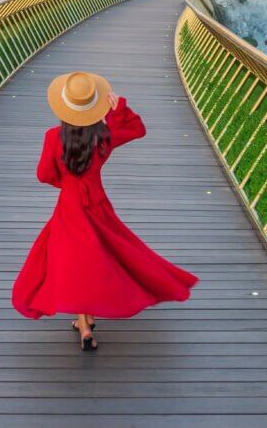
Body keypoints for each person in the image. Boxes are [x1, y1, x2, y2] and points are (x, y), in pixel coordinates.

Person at [12, 71, 198, 351]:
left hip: (70, 206)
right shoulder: (103, 136)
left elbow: (43, 175)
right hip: (97, 204)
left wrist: (64, 182)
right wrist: (119, 108)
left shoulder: (53, 137)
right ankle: (87, 320)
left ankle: (84, 325)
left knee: (74, 260)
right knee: (103, 255)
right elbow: (137, 129)